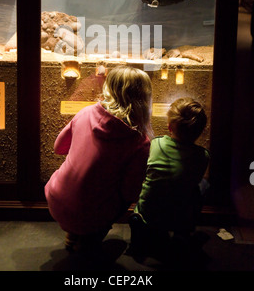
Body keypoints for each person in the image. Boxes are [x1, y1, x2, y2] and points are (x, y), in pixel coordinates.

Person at [44, 66, 153, 253]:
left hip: (56, 197)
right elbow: (130, 193)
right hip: (89, 214)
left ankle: (73, 233)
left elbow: (58, 148)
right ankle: (89, 242)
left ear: (108, 89)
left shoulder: (85, 112)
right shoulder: (140, 142)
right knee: (121, 200)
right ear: (144, 98)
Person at [128, 97, 210, 261]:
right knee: (203, 185)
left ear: (169, 126)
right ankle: (184, 230)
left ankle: (141, 223)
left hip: (148, 211)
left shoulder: (156, 144)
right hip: (178, 214)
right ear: (200, 130)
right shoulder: (203, 156)